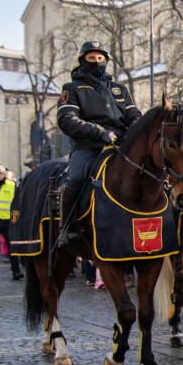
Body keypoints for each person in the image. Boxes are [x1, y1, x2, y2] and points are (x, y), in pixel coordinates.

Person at [56, 41, 142, 248]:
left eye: (100, 58)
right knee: (75, 179)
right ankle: (66, 229)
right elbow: (66, 119)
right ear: (82, 61)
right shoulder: (72, 88)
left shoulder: (119, 89)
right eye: (91, 58)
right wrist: (99, 132)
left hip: (120, 146)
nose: (96, 61)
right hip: (88, 147)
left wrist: (134, 133)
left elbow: (134, 115)